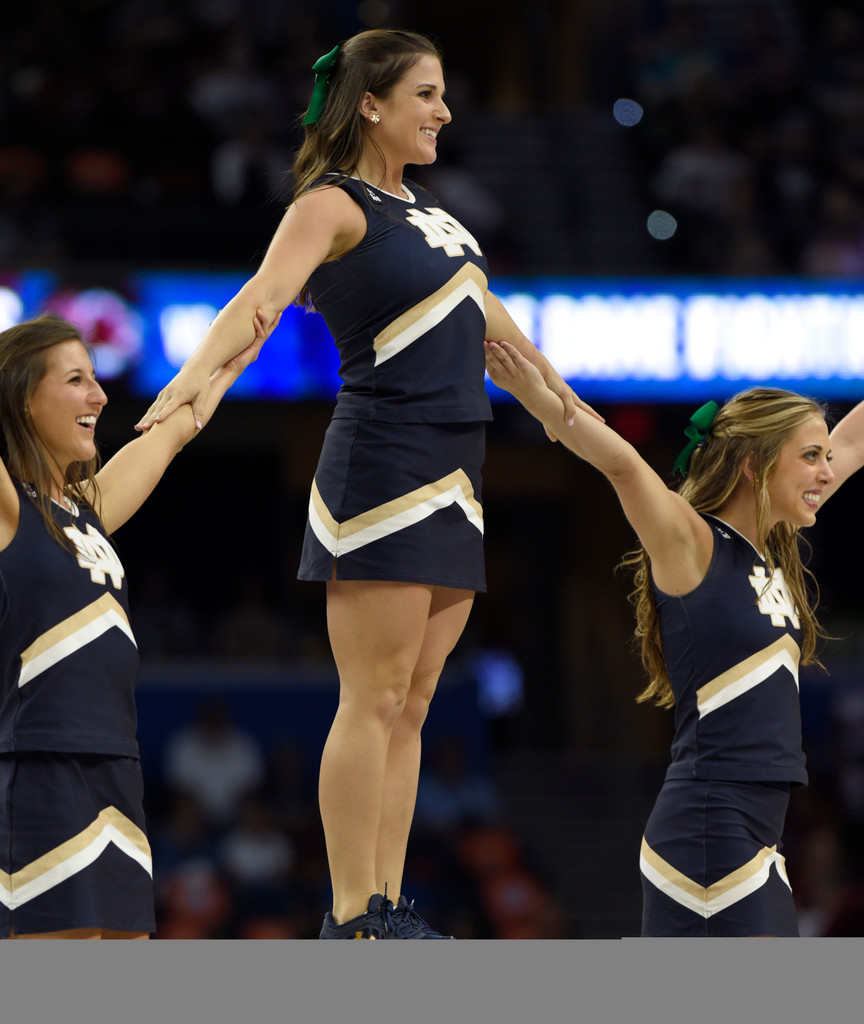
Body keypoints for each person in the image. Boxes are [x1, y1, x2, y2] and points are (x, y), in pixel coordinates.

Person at [134, 28, 593, 940]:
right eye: (426, 93)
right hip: (382, 458)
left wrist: (587, 432)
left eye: (445, 93)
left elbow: (510, 348)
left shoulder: (442, 219)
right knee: (373, 695)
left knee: (416, 702)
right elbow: (259, 301)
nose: (444, 111)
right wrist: (191, 384)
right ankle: (349, 916)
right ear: (371, 104)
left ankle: (386, 903)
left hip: (458, 473)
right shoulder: (331, 205)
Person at [484, 337, 864, 936]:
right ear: (755, 464)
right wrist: (535, 395)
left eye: (825, 456)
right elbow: (622, 463)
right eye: (810, 456)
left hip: (749, 829)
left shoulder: (768, 548)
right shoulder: (692, 543)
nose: (826, 470)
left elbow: (857, 440)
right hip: (711, 826)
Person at [0, 312, 264, 939]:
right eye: (75, 380)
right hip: (40, 764)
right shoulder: (8, 504)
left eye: (96, 378)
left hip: (117, 769)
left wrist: (225, 361)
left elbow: (173, 432)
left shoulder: (87, 510)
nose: (99, 395)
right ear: (21, 399)